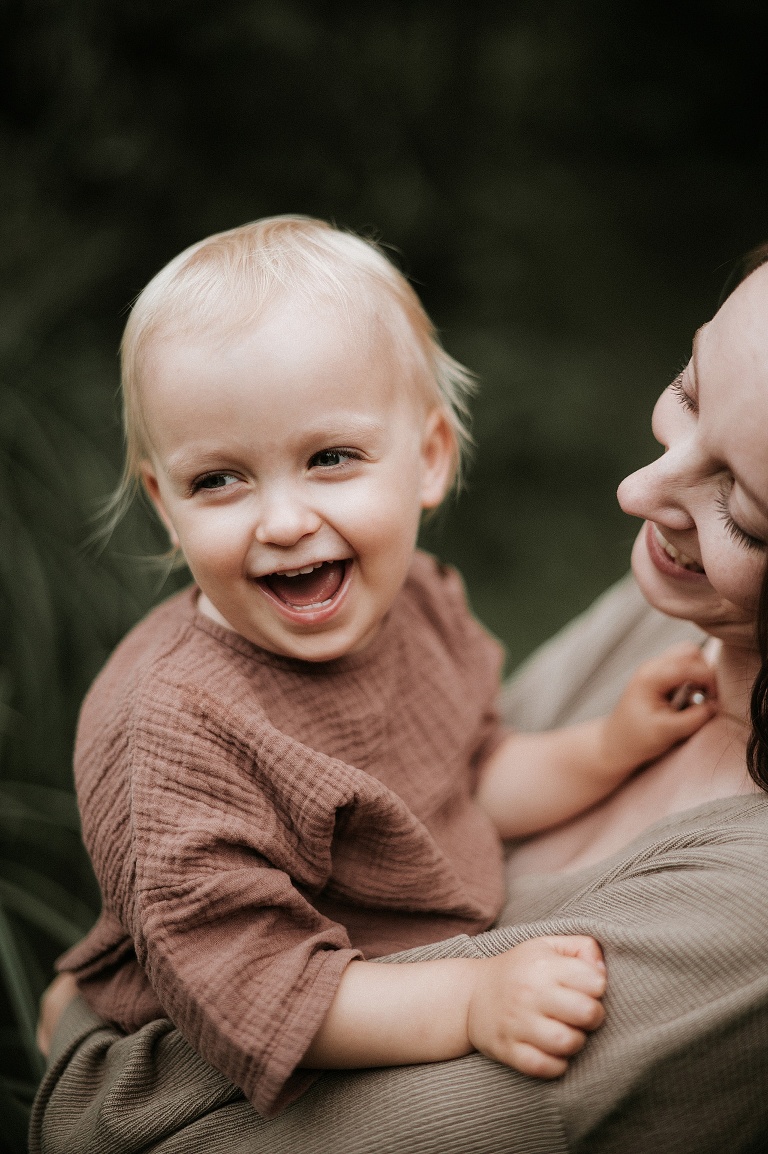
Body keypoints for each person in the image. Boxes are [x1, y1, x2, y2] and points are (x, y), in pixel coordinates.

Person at [30, 243, 768, 1154]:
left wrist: (605, 747)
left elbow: (457, 787)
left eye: (330, 457)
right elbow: (262, 987)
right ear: (163, 502)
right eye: (217, 480)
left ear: (426, 458)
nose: (284, 520)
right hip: (217, 1048)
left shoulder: (413, 604)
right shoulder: (175, 737)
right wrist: (467, 1000)